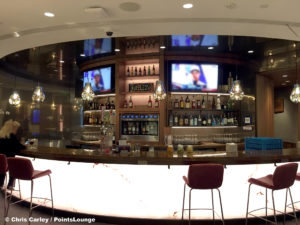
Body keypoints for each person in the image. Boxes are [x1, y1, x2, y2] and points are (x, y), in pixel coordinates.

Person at [0, 120, 26, 190]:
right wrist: (25, 144)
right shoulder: (12, 137)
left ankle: (1, 184)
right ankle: (10, 185)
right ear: (12, 128)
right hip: (8, 164)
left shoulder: (1, 136)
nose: (16, 131)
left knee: (4, 165)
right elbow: (20, 147)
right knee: (14, 165)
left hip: (1, 164)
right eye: (16, 129)